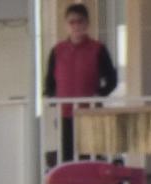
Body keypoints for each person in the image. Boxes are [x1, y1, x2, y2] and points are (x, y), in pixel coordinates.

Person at [43, 2, 119, 162]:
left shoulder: (98, 49)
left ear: (87, 24)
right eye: (72, 22)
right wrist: (52, 99)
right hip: (65, 115)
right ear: (66, 25)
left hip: (89, 115)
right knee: (67, 159)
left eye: (80, 21)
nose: (76, 26)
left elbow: (112, 79)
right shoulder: (57, 51)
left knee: (89, 159)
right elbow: (49, 82)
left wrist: (98, 96)